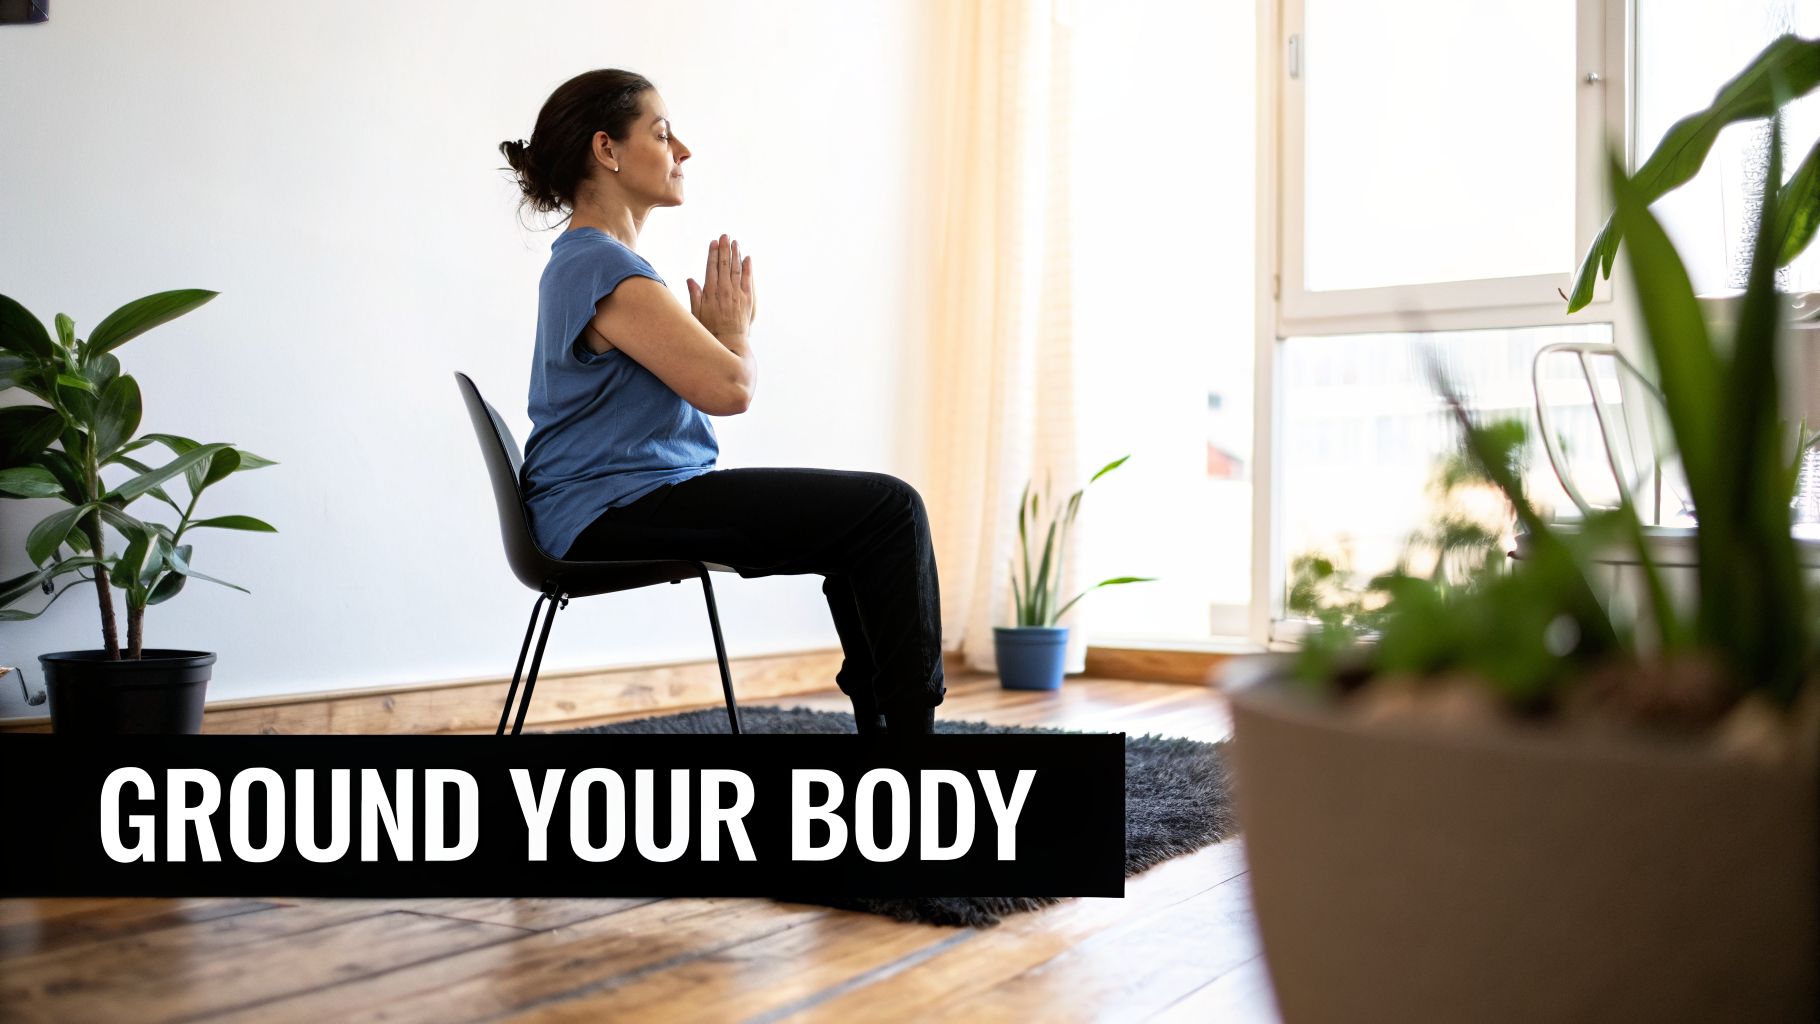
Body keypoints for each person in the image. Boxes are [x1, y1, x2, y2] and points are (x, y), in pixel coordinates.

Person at [499, 69, 944, 736]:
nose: (683, 151)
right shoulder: (601, 266)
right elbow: (731, 388)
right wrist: (733, 332)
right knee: (890, 512)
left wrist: (718, 336)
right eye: (662, 132)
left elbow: (693, 386)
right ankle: (911, 753)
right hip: (612, 510)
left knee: (867, 528)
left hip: (613, 502)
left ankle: (891, 738)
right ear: (607, 150)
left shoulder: (593, 263)